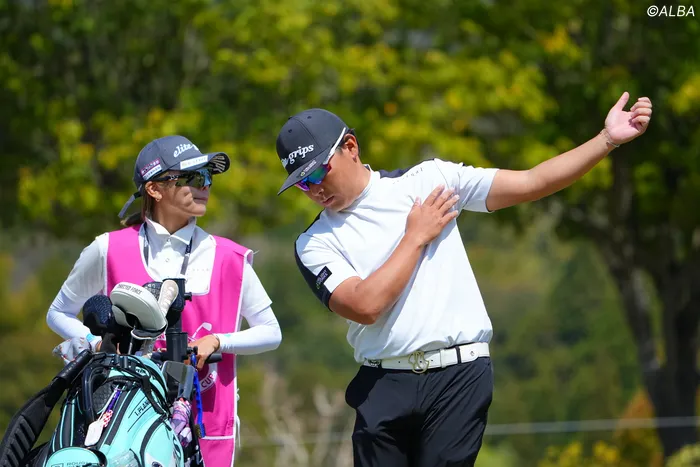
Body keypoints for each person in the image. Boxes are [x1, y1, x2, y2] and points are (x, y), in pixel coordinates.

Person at [273, 92, 652, 466]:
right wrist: (415, 237)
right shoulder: (313, 242)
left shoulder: (428, 181)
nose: (315, 189)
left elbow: (532, 182)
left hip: (459, 377)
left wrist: (607, 139)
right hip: (382, 384)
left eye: (319, 172)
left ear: (351, 147)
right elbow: (364, 305)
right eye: (303, 183)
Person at [46, 135, 282, 466]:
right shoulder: (107, 248)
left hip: (206, 423)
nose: (204, 186)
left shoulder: (231, 257)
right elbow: (58, 313)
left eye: (207, 177)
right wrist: (96, 343)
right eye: (192, 178)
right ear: (155, 189)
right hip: (121, 423)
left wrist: (217, 341)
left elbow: (271, 332)